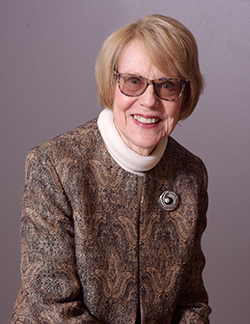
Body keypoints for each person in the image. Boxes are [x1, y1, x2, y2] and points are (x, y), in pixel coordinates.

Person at [11, 14, 211, 324]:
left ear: (184, 96)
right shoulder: (54, 165)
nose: (149, 101)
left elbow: (191, 302)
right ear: (111, 84)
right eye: (133, 82)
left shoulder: (190, 174)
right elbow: (53, 308)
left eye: (167, 85)